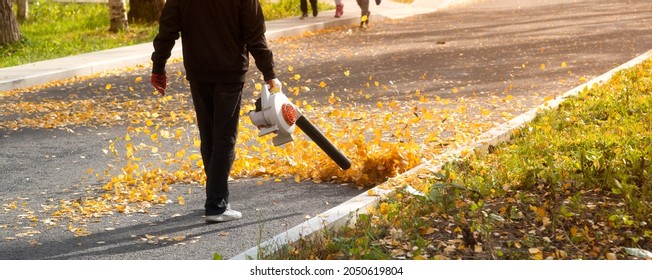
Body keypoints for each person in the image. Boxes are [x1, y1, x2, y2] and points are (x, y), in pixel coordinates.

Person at [150, 0, 279, 223]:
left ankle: (215, 196)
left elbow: (168, 28)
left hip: (198, 70)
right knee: (224, 138)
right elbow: (255, 34)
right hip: (229, 71)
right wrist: (269, 72)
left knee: (209, 134)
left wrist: (158, 66)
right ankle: (216, 204)